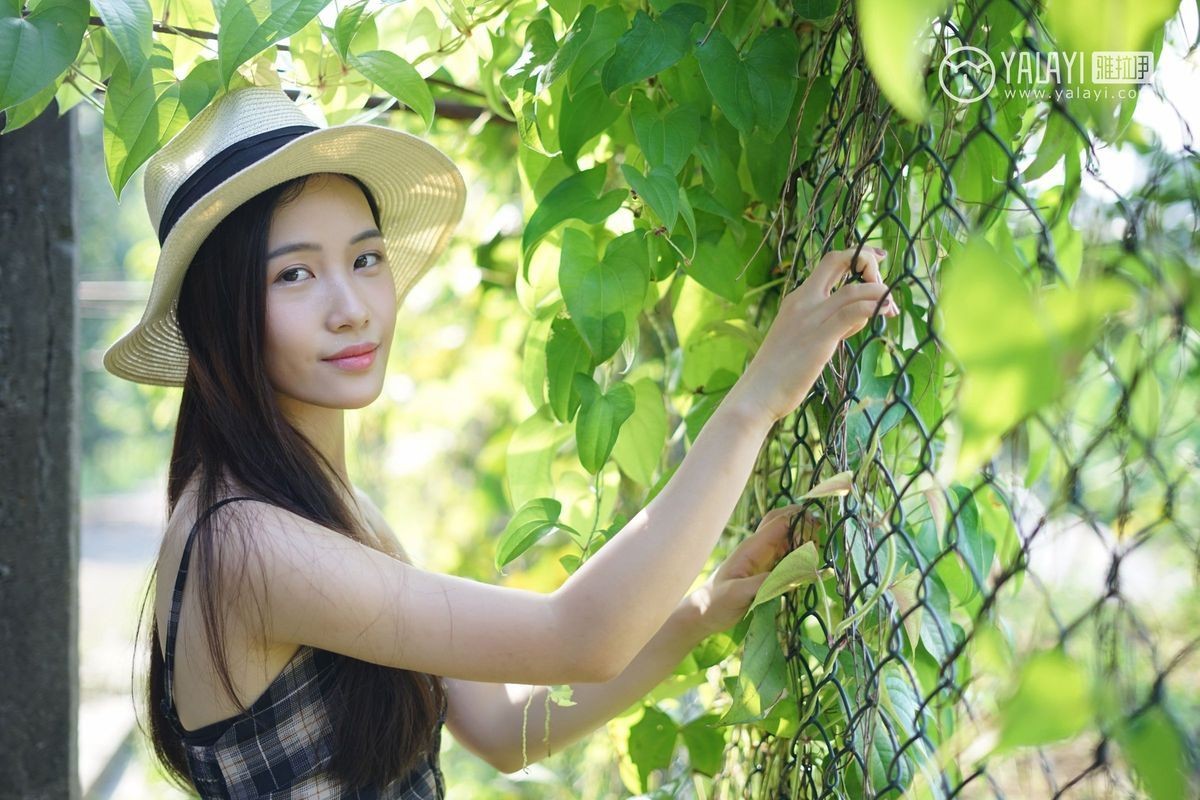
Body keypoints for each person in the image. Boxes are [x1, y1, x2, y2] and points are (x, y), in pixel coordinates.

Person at [108, 85, 897, 798]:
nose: (351, 307)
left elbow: (502, 727)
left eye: (366, 258)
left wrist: (696, 612)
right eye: (295, 275)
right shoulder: (246, 542)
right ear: (220, 311)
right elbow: (577, 637)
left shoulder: (317, 504)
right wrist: (756, 401)